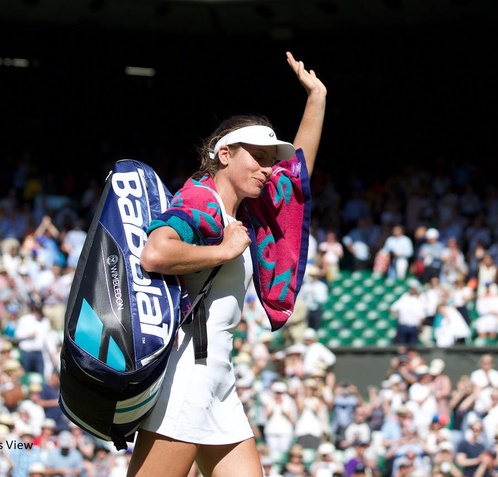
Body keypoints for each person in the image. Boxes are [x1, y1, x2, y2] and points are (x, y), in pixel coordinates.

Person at [129, 51, 326, 477]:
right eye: (257, 156)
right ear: (224, 154)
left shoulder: (241, 213)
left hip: (219, 379)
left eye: (270, 158)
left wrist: (317, 98)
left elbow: (296, 174)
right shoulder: (200, 199)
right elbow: (156, 252)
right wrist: (224, 250)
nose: (268, 167)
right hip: (187, 374)